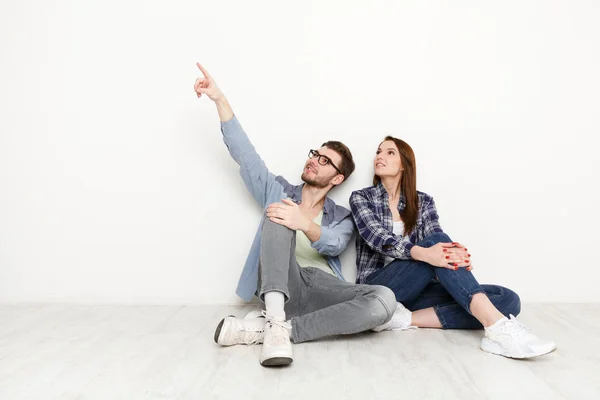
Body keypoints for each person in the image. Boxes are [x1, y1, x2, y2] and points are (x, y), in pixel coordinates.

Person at [194, 63, 397, 367]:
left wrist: (305, 224)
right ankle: (275, 320)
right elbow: (245, 156)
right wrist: (220, 100)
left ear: (337, 178)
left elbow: (335, 244)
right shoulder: (277, 191)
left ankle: (271, 330)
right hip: (284, 285)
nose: (314, 160)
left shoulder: (341, 215)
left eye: (325, 160)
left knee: (384, 299)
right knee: (280, 212)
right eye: (315, 153)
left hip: (323, 291)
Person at [349, 135, 556, 359]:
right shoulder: (362, 198)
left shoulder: (423, 202)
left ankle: (403, 319)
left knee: (508, 299)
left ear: (404, 164)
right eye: (379, 151)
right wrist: (430, 253)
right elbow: (379, 239)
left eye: (390, 152)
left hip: (416, 291)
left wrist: (454, 256)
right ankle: (498, 329)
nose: (380, 156)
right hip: (379, 289)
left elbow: (437, 238)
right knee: (434, 244)